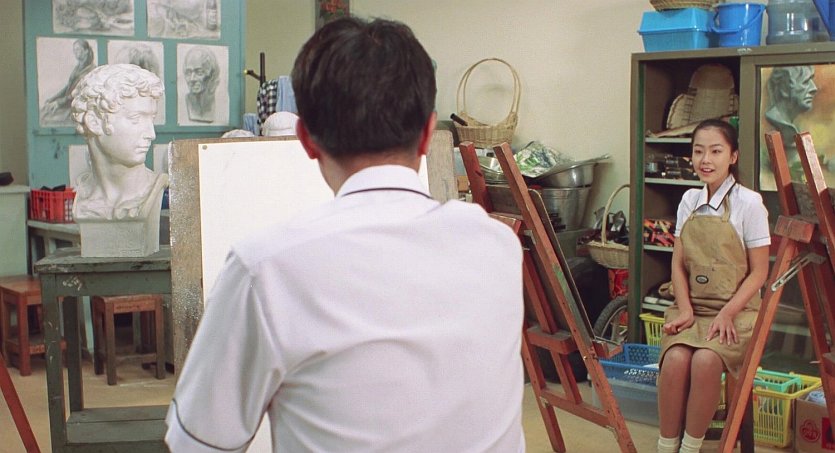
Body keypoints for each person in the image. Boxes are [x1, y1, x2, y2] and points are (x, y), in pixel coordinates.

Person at [165, 17, 526, 452]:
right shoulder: (498, 246)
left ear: (305, 139)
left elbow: (200, 442)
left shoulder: (267, 267)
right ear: (429, 134)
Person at [656, 119, 771, 453]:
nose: (705, 160)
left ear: (733, 156)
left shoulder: (750, 203)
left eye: (716, 151)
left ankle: (690, 448)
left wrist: (727, 313)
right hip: (693, 308)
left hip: (737, 312)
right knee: (675, 360)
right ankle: (666, 447)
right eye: (698, 151)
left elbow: (760, 273)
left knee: (706, 362)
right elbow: (678, 264)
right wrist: (685, 309)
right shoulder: (689, 200)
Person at [70, 63, 166, 222]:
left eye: (152, 119)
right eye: (135, 119)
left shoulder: (157, 191)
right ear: (94, 122)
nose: (151, 134)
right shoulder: (83, 197)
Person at [764, 65, 817, 166]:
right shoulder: (776, 122)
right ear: (784, 88)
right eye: (806, 82)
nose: (814, 88)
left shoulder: (797, 126)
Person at [40, 39, 96, 126]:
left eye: (78, 49)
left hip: (78, 108)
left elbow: (79, 93)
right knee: (44, 110)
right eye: (74, 50)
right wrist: (53, 98)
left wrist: (59, 103)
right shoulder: (78, 68)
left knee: (47, 119)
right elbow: (68, 87)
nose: (75, 52)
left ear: (86, 51)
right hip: (67, 102)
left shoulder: (91, 70)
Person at [182, 45, 219, 123]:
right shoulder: (183, 103)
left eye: (199, 72)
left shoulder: (219, 104)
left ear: (211, 75)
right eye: (188, 72)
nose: (192, 79)